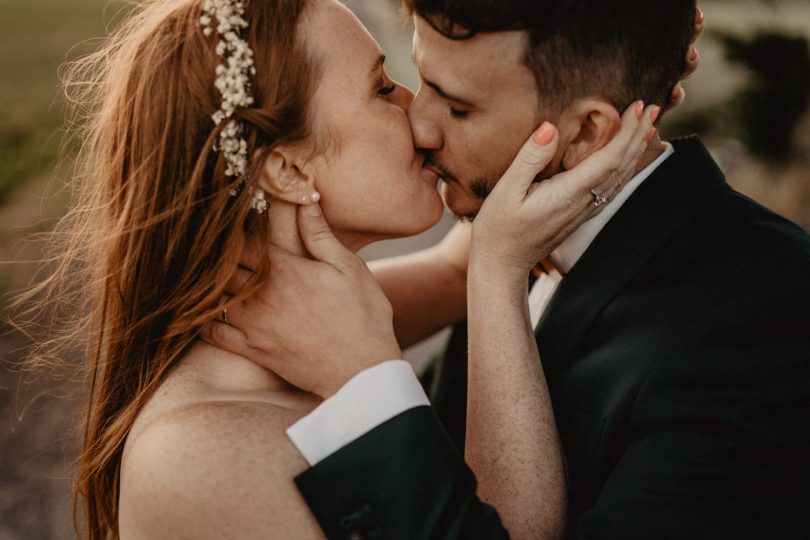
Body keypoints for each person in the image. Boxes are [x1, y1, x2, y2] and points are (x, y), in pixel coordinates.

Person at [14, 0, 672, 538]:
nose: (417, 112)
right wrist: (495, 271)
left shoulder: (296, 325)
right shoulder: (201, 456)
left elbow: (450, 275)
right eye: (382, 87)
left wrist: (628, 72)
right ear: (289, 169)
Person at [208, 0, 810, 538]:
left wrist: (364, 386)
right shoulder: (514, 233)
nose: (419, 124)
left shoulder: (763, 309)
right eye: (420, 80)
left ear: (585, 132)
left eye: (459, 107)